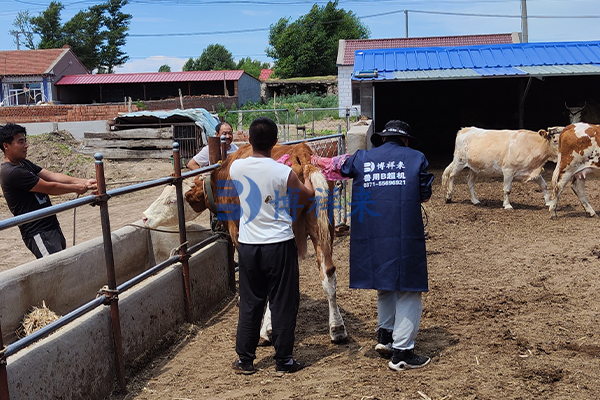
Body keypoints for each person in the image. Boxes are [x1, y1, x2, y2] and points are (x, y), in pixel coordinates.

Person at [340, 120, 434, 371]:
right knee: (408, 289)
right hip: (403, 232)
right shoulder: (416, 158)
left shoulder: (362, 158)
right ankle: (402, 351)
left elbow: (341, 167)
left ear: (382, 139)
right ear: (404, 140)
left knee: (384, 283)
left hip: (372, 234)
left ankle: (385, 336)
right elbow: (424, 193)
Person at [229, 117, 314, 375]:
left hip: (248, 245)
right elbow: (306, 194)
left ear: (249, 140)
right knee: (283, 301)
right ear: (276, 143)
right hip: (278, 243)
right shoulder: (283, 172)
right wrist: (309, 177)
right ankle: (284, 360)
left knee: (250, 301)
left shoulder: (236, 168)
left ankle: (245, 359)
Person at [0, 123, 97, 259]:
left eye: (25, 141)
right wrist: (77, 188)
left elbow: (52, 176)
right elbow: (49, 187)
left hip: (50, 224)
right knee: (56, 270)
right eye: (21, 142)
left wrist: (84, 182)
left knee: (62, 266)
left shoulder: (24, 163)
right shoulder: (11, 172)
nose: (26, 145)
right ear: (6, 146)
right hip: (38, 231)